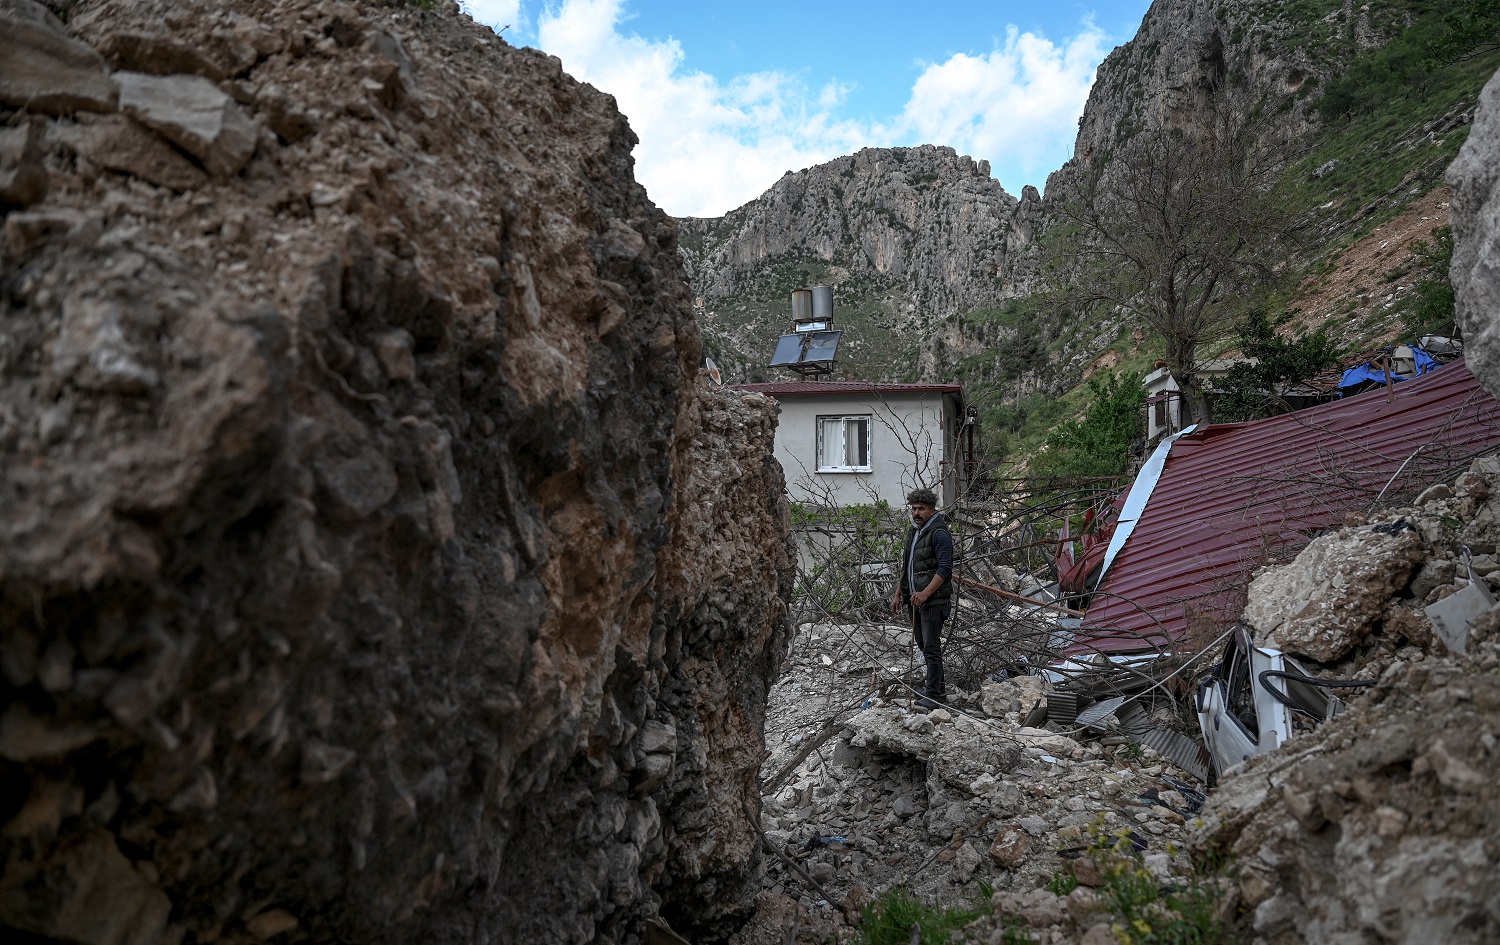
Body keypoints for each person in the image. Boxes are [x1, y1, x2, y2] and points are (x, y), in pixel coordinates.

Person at [890, 487, 953, 709]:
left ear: (932, 510)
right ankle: (937, 690)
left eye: (921, 509)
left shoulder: (939, 534)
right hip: (914, 601)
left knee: (932, 648)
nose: (917, 513)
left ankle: (934, 696)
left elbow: (945, 569)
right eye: (914, 509)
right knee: (924, 646)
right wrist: (899, 594)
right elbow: (907, 567)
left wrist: (926, 593)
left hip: (933, 602)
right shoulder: (915, 532)